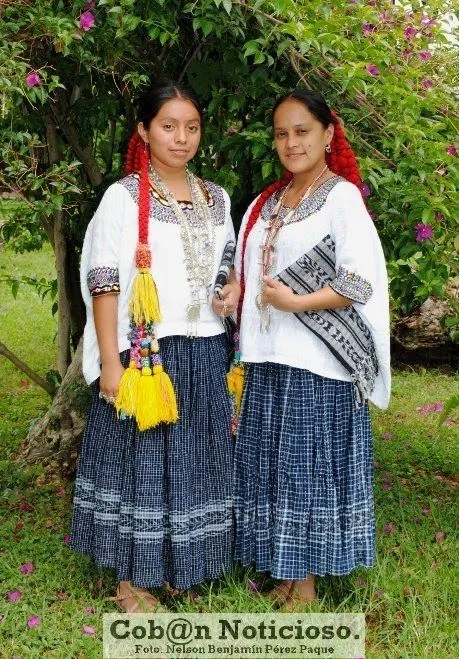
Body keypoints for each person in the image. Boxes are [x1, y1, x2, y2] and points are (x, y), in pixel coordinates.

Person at [71, 80, 239, 612]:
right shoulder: (123, 198)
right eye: (169, 126)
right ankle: (132, 582)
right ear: (144, 131)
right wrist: (110, 363)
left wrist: (231, 290)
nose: (181, 138)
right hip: (147, 358)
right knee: (141, 466)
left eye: (191, 127)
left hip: (208, 351)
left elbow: (226, 265)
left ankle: (181, 569)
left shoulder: (218, 199)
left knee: (194, 462)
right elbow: (103, 281)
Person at [232, 89, 390, 609]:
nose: (291, 142)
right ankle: (283, 570)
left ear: (327, 135)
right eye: (281, 133)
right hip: (269, 358)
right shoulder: (266, 202)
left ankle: (305, 586)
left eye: (302, 131)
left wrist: (298, 301)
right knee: (275, 467)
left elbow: (360, 282)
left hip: (317, 363)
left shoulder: (342, 198)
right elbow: (246, 271)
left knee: (305, 471)